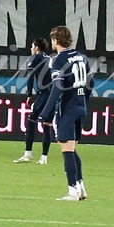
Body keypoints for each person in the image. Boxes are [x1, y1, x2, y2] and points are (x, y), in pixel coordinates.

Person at [48, 25, 92, 201]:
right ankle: (80, 187)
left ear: (56, 41)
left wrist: (45, 112)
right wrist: (83, 102)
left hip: (66, 108)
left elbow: (57, 88)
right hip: (80, 107)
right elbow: (91, 82)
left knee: (66, 149)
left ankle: (72, 190)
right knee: (72, 148)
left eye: (52, 40)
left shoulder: (58, 60)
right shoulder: (81, 57)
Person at [13, 37, 53, 164]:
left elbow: (31, 77)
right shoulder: (51, 59)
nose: (31, 49)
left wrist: (29, 94)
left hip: (43, 93)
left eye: (32, 46)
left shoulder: (35, 58)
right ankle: (44, 157)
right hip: (54, 94)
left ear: (36, 48)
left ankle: (28, 153)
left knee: (31, 119)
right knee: (47, 124)